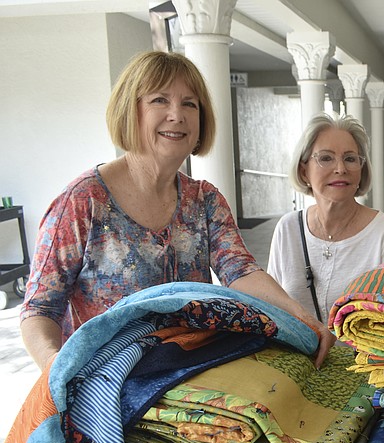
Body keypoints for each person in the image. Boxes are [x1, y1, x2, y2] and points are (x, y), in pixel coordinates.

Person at [19, 51, 334, 371]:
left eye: (189, 103)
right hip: (106, 383)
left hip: (185, 377)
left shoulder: (204, 199)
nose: (177, 114)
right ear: (130, 110)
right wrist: (58, 370)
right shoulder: (81, 202)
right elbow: (39, 310)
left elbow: (241, 273)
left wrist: (303, 318)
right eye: (159, 100)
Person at [267, 113, 384, 323]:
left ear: (361, 170)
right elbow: (272, 309)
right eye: (326, 158)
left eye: (350, 159)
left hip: (362, 355)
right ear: (304, 170)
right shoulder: (288, 229)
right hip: (296, 354)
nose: (340, 168)